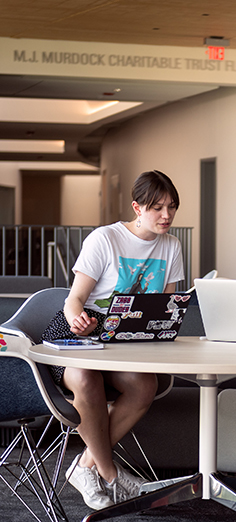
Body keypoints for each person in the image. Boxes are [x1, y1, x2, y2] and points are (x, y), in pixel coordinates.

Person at [41, 170, 185, 509]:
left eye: (172, 207)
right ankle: (111, 475)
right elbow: (72, 300)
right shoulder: (104, 239)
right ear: (137, 207)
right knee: (86, 379)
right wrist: (79, 320)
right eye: (157, 208)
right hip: (82, 332)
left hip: (124, 338)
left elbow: (165, 307)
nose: (166, 216)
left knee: (143, 386)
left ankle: (85, 466)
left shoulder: (172, 246)